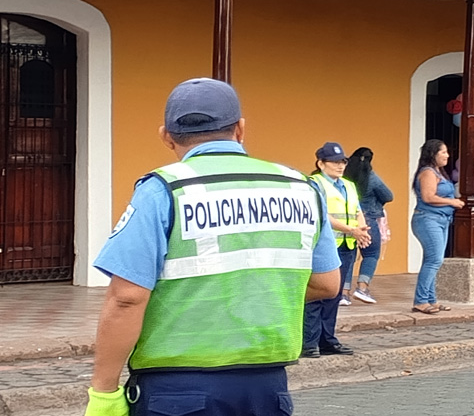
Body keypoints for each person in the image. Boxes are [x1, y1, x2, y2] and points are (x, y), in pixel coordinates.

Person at [84, 78, 342, 416]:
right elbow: (327, 283)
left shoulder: (164, 189)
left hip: (176, 391)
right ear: (240, 129)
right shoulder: (301, 187)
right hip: (266, 389)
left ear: (166, 136)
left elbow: (127, 297)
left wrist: (104, 393)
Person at [301, 142, 371, 358]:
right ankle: (309, 342)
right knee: (317, 293)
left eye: (342, 162)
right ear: (320, 163)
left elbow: (357, 209)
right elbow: (321, 214)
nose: (340, 166)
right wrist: (352, 230)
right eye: (334, 162)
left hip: (346, 244)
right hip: (323, 244)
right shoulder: (314, 183)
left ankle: (328, 339)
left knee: (334, 294)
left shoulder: (348, 185)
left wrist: (362, 230)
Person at [410, 139, 464, 314]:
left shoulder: (438, 172)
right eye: (443, 152)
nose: (447, 155)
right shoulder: (427, 173)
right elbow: (428, 197)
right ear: (433, 154)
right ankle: (421, 300)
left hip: (441, 220)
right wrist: (452, 201)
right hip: (428, 219)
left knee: (432, 260)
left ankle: (431, 300)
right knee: (435, 260)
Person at [343, 147, 394, 304]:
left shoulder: (344, 176)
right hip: (369, 220)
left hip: (347, 221)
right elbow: (388, 195)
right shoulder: (371, 177)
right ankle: (362, 288)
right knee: (371, 254)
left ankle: (343, 293)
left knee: (348, 256)